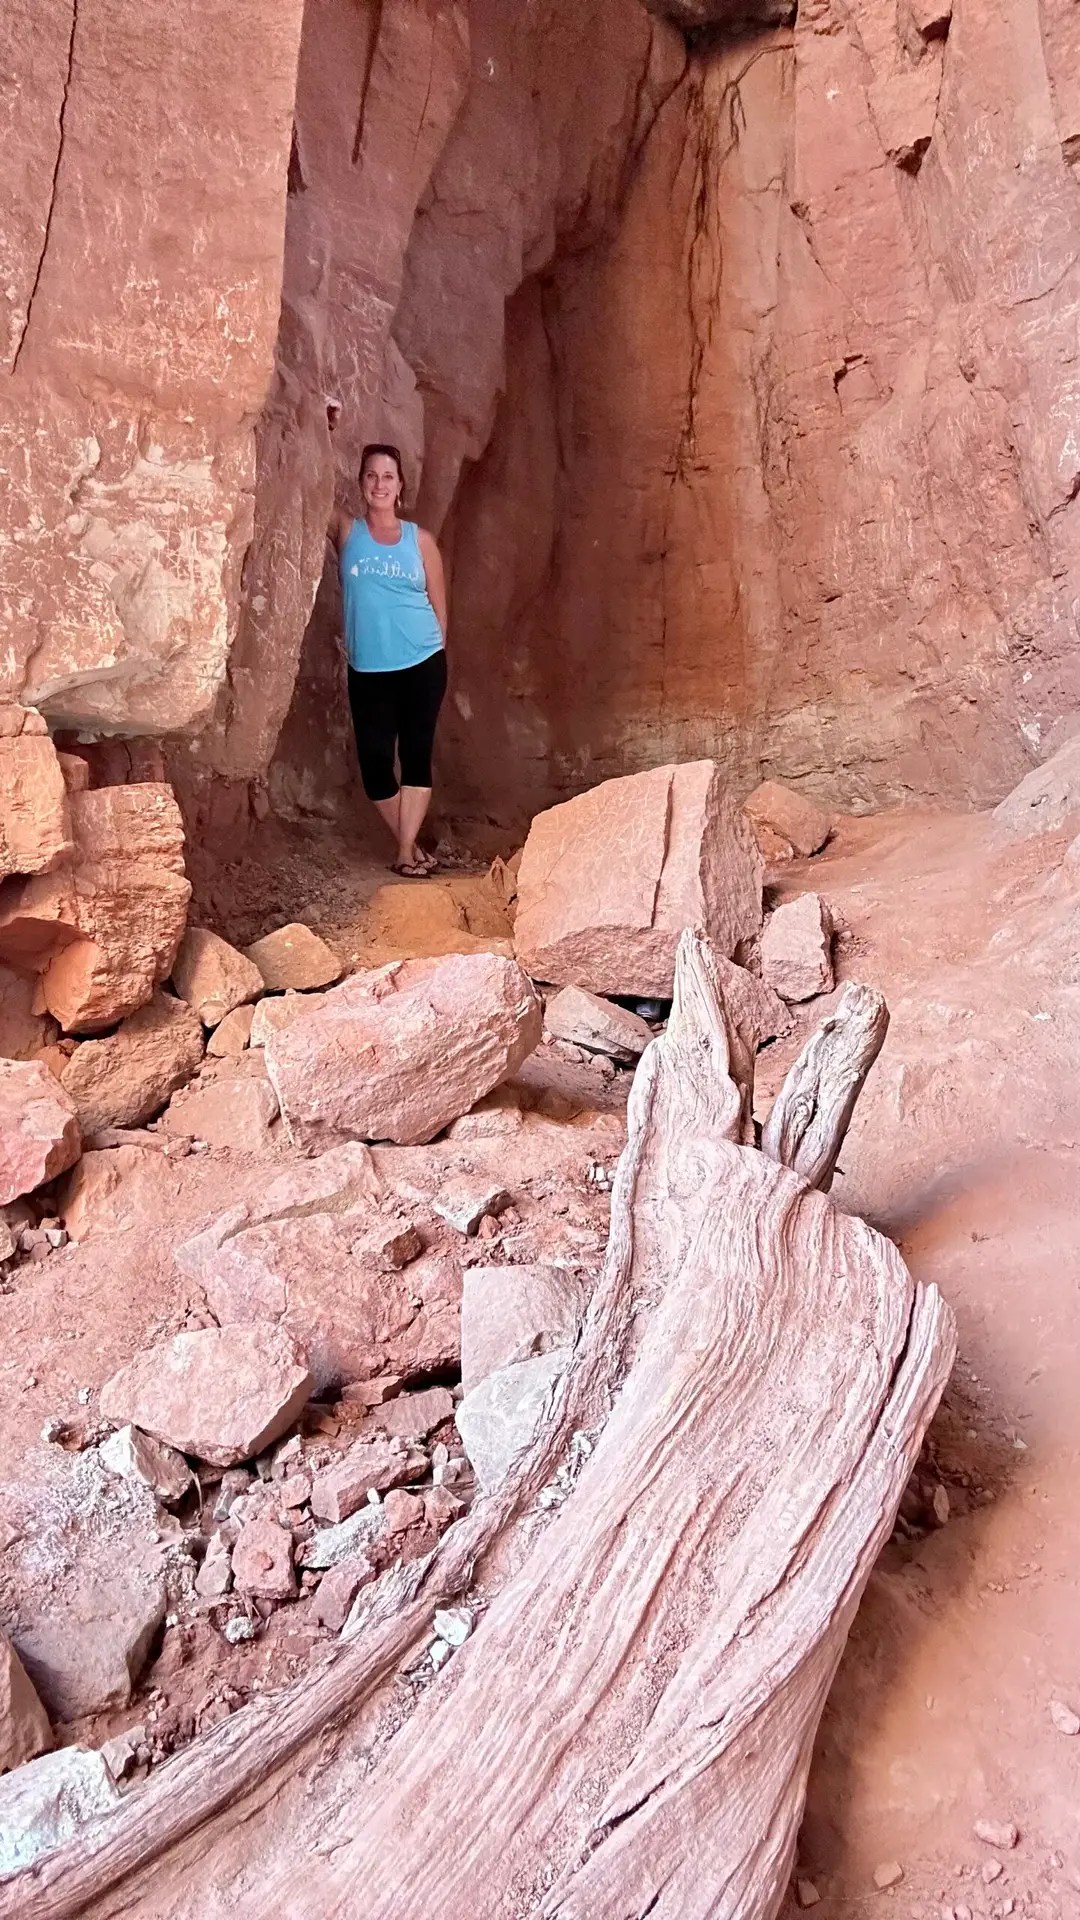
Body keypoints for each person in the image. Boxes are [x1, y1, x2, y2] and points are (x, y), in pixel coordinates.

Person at [328, 440, 448, 878]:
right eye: (371, 475)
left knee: (416, 755)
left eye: (388, 476)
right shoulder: (347, 531)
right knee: (376, 766)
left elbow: (439, 607)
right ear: (361, 483)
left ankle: (403, 852)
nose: (380, 483)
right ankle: (411, 845)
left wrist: (435, 657)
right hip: (369, 669)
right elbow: (313, 485)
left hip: (422, 661)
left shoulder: (421, 541)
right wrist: (326, 428)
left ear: (400, 486)